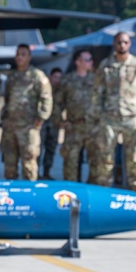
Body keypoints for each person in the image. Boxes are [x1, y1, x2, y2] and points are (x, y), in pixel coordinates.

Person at [92, 32, 136, 192]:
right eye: (119, 43)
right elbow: (98, 92)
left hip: (131, 117)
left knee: (134, 157)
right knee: (106, 156)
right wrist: (100, 114)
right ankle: (104, 190)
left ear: (129, 44)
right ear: (114, 44)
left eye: (125, 42)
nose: (122, 46)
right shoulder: (106, 65)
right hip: (109, 118)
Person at [0, 44, 52, 180]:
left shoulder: (37, 76)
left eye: (23, 54)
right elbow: (6, 99)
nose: (19, 57)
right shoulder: (12, 77)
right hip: (10, 128)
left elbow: (47, 98)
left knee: (29, 164)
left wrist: (41, 118)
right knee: (9, 164)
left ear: (29, 57)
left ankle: (31, 196)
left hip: (28, 127)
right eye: (17, 54)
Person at [53, 50, 99, 183]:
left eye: (91, 59)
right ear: (78, 62)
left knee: (95, 164)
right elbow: (57, 103)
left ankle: (91, 194)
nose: (91, 62)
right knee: (70, 164)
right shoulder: (67, 80)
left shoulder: (96, 80)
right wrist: (60, 121)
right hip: (73, 127)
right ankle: (72, 193)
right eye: (88, 59)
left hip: (93, 128)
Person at [39, 67, 63, 179]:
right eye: (55, 77)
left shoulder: (62, 91)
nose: (57, 80)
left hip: (55, 124)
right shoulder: (43, 88)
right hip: (43, 124)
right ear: (50, 77)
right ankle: (36, 173)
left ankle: (46, 172)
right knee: (39, 148)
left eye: (59, 78)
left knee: (51, 149)